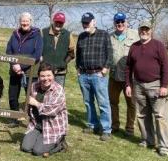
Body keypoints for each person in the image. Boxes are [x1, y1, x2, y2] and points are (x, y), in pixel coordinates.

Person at [125, 20, 168, 156]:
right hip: (138, 85)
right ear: (139, 30)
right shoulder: (134, 46)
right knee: (142, 115)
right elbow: (128, 67)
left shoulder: (158, 45)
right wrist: (128, 84)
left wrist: (164, 86)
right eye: (142, 29)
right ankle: (147, 139)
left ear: (151, 30)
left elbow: (166, 67)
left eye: (146, 29)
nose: (144, 32)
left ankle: (164, 146)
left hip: (156, 85)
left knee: (160, 116)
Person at [75, 12, 113, 141]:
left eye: (88, 22)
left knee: (103, 103)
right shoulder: (81, 36)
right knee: (88, 102)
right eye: (83, 23)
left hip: (98, 74)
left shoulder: (104, 35)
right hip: (84, 74)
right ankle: (93, 125)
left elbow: (110, 53)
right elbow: (78, 54)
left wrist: (105, 68)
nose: (85, 25)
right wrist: (78, 69)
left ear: (94, 22)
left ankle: (106, 129)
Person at [21, 62, 68, 157]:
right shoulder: (34, 86)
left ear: (53, 75)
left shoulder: (58, 90)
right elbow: (29, 103)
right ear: (38, 76)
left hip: (52, 127)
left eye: (49, 75)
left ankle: (60, 143)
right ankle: (39, 137)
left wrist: (36, 103)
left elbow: (51, 111)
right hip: (37, 125)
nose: (46, 79)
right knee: (25, 148)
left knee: (37, 151)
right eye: (42, 76)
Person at [5, 12, 43, 117]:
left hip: (30, 71)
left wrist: (21, 66)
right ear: (20, 22)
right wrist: (14, 64)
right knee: (12, 96)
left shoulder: (37, 35)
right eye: (22, 21)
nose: (24, 23)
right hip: (14, 70)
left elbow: (37, 54)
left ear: (30, 22)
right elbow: (8, 51)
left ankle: (33, 118)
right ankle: (14, 117)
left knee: (31, 96)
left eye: (27, 21)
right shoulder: (14, 34)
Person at [108, 12, 139, 136]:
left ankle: (130, 127)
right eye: (117, 22)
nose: (119, 24)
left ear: (126, 22)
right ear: (114, 23)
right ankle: (114, 125)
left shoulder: (135, 35)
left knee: (131, 103)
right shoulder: (109, 37)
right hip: (114, 76)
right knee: (113, 102)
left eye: (122, 21)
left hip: (130, 78)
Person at [40, 11, 75, 87]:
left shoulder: (68, 35)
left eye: (61, 23)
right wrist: (42, 61)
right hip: (45, 71)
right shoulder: (43, 32)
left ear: (63, 23)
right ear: (53, 21)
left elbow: (71, 53)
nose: (58, 24)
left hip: (60, 72)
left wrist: (63, 63)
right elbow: (38, 49)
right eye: (57, 22)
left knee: (58, 94)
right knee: (43, 93)